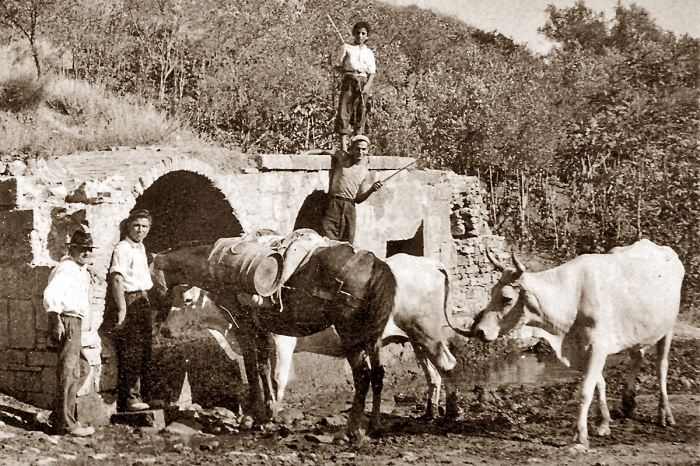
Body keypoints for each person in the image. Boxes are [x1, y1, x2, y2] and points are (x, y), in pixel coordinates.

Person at [43, 229, 96, 437]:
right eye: (82, 249)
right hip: (67, 320)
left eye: (90, 250)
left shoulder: (78, 268)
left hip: (75, 322)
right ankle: (65, 424)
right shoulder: (67, 268)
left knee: (82, 368)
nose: (87, 253)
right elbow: (51, 294)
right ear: (72, 249)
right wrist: (55, 320)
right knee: (70, 371)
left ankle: (59, 415)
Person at [110, 209, 154, 412]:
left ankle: (139, 394)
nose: (141, 230)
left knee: (143, 350)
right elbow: (117, 279)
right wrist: (122, 309)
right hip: (130, 299)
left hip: (143, 299)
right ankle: (129, 399)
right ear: (129, 226)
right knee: (132, 351)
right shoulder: (123, 248)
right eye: (137, 225)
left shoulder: (140, 247)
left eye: (145, 226)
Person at [321, 134, 382, 244]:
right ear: (352, 149)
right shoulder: (343, 157)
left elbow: (358, 199)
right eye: (357, 149)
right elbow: (324, 151)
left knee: (348, 244)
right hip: (334, 204)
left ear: (367, 150)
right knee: (328, 240)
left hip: (350, 208)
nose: (360, 152)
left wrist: (371, 190)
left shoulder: (365, 172)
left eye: (363, 149)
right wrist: (306, 153)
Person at [333, 20, 376, 150]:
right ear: (353, 34)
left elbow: (372, 72)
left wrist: (367, 86)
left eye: (363, 33)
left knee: (360, 112)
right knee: (344, 111)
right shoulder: (346, 48)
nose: (360, 36)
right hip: (349, 81)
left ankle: (357, 145)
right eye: (358, 33)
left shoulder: (369, 52)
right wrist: (346, 73)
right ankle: (344, 146)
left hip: (363, 82)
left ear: (367, 36)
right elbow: (336, 66)